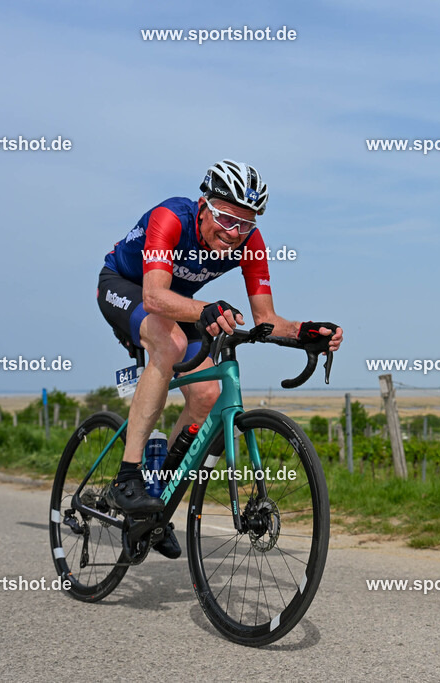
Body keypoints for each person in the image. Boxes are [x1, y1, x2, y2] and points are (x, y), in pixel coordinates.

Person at [96, 159, 343, 558]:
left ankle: (155, 496)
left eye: (245, 224)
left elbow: (266, 319)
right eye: (226, 219)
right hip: (126, 286)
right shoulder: (171, 218)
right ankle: (127, 476)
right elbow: (155, 297)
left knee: (208, 395)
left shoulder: (250, 242)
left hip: (183, 304)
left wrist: (306, 332)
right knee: (171, 343)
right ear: (205, 204)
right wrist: (207, 308)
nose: (233, 234)